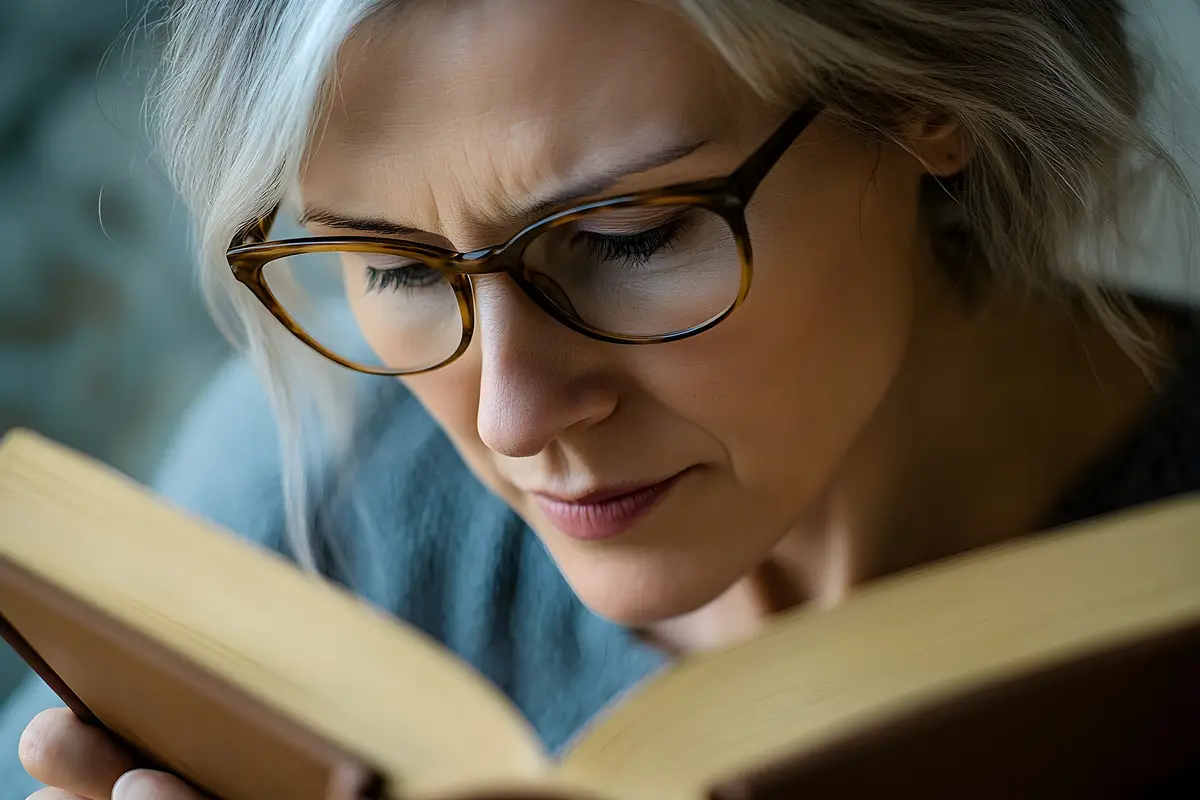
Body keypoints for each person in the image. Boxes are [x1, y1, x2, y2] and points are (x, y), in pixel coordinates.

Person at [6, 0, 1199, 797]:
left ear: (928, 100)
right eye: (400, 269)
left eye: (630, 238)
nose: (511, 418)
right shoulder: (308, 480)